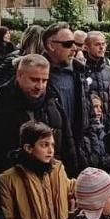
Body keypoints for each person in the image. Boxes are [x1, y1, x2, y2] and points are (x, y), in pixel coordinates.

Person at [0, 54, 76, 172]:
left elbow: (68, 147)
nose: (40, 86)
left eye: (44, 80)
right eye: (34, 80)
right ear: (19, 75)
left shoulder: (54, 105)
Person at [41, 22, 89, 155]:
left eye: (74, 43)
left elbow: (88, 113)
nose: (74, 48)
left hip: (78, 149)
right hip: (51, 151)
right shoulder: (37, 74)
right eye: (68, 44)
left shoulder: (79, 73)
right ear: (51, 45)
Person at [82, 31, 110, 123]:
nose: (101, 47)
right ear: (87, 47)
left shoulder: (109, 71)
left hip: (108, 121)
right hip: (90, 122)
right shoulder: (81, 70)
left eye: (103, 44)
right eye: (97, 44)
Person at [81, 94, 110, 171]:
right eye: (95, 106)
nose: (100, 110)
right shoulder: (84, 133)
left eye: (100, 107)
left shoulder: (102, 131)